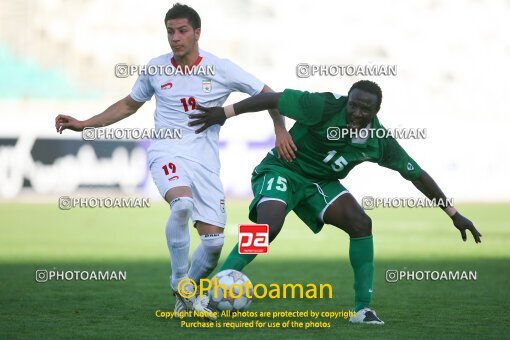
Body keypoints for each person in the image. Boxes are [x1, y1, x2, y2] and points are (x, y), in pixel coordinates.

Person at [54, 3, 296, 317]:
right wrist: (85, 123)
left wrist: (279, 128)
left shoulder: (220, 68)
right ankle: (179, 280)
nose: (175, 38)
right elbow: (129, 105)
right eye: (170, 31)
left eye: (182, 31)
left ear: (197, 32)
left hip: (205, 162)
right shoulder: (156, 68)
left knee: (212, 244)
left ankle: (184, 295)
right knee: (181, 204)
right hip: (166, 152)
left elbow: (269, 94)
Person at [189, 80, 482, 324]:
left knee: (361, 222)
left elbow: (416, 174)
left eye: (364, 108)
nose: (355, 112)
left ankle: (362, 309)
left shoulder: (378, 140)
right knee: (270, 226)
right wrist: (224, 113)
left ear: (376, 111)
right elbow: (271, 98)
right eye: (353, 104)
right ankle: (214, 292)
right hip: (283, 169)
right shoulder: (324, 106)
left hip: (321, 184)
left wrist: (453, 213)